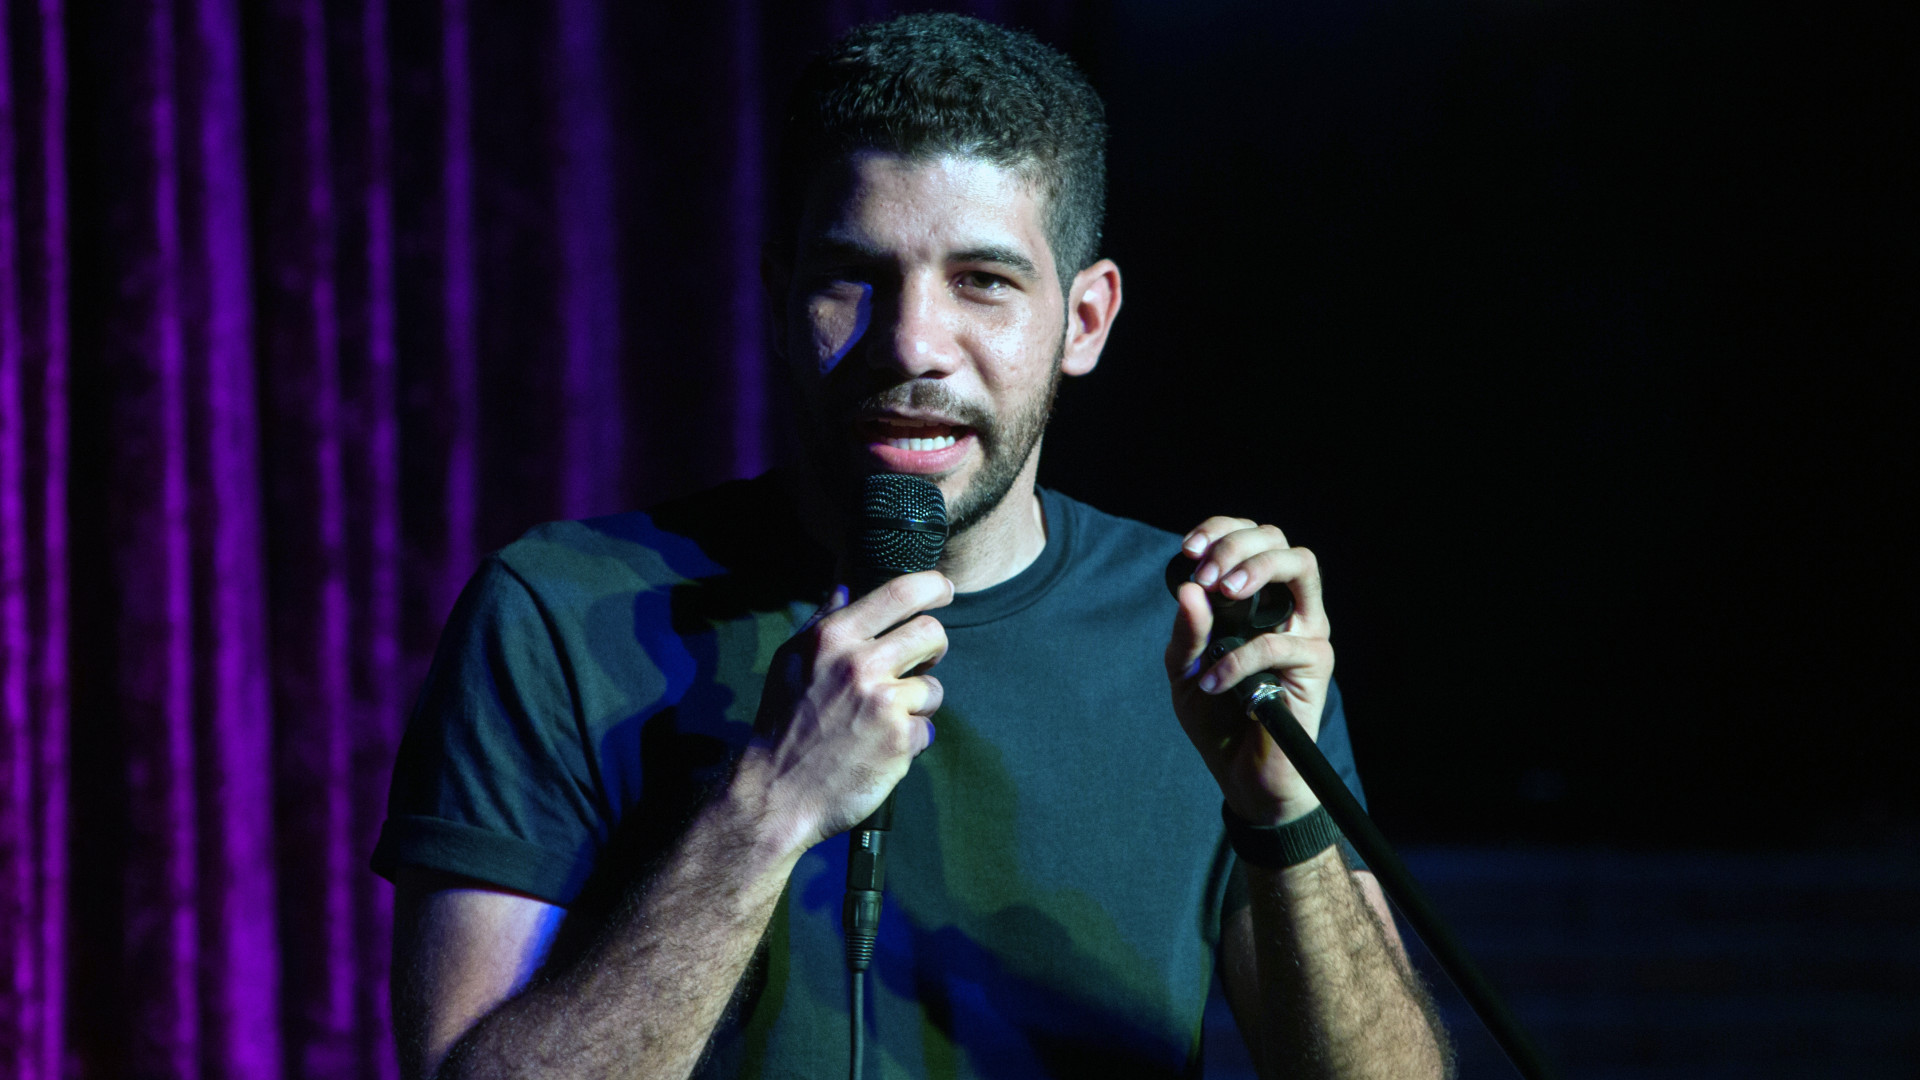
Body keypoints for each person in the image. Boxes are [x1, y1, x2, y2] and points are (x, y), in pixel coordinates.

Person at [374, 13, 1451, 1079]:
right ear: (778, 297)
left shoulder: (1200, 633)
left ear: (1084, 320)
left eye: (983, 280)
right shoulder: (557, 614)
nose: (911, 343)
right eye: (854, 276)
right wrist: (769, 808)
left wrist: (1283, 819)